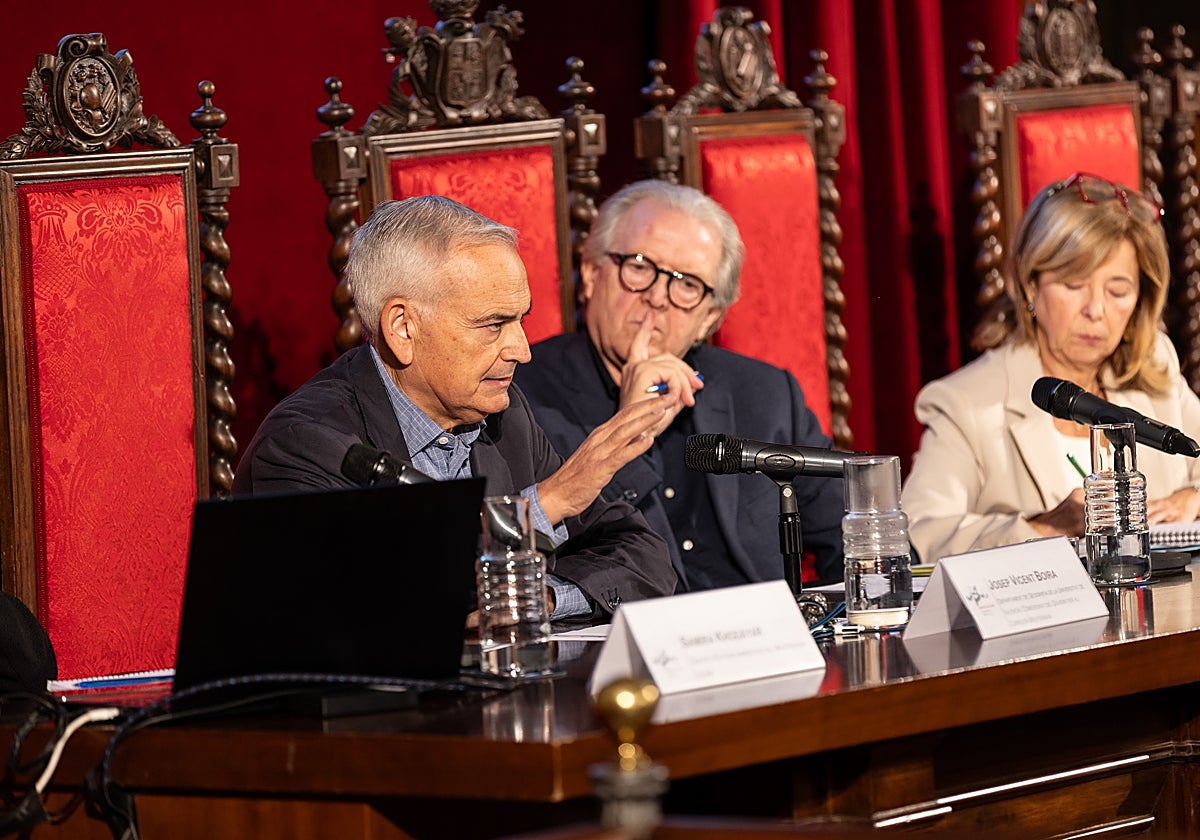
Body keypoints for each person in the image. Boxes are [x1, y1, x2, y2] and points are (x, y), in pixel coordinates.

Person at [233, 196, 676, 622]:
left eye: (520, 320)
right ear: (403, 328)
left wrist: (542, 599)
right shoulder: (306, 444)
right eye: (493, 325)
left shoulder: (504, 415)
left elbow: (643, 554)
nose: (522, 350)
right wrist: (545, 504)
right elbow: (379, 608)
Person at [515, 180, 845, 589]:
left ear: (710, 318)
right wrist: (629, 427)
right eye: (639, 266)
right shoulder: (520, 399)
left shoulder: (765, 394)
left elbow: (853, 536)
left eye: (687, 283)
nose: (657, 296)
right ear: (590, 273)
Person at [901, 172, 1200, 563]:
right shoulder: (967, 404)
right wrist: (1047, 527)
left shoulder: (1153, 368)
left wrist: (1191, 498)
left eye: (1117, 291)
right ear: (1030, 285)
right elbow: (921, 535)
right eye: (1075, 285)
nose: (1096, 311)